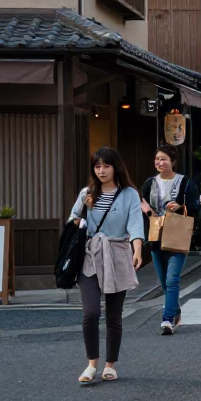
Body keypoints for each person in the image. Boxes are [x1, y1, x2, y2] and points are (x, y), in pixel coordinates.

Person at [67, 147, 144, 385]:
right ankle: (92, 364)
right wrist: (80, 216)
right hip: (90, 255)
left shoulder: (129, 194)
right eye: (97, 166)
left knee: (114, 315)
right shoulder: (87, 193)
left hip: (118, 253)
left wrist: (137, 249)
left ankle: (110, 365)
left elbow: (135, 223)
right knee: (90, 312)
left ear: (115, 167)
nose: (101, 170)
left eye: (106, 165)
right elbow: (72, 221)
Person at [139, 145, 200, 336]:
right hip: (156, 235)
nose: (159, 162)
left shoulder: (185, 183)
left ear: (173, 162)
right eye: (157, 159)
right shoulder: (149, 183)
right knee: (164, 282)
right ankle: (175, 310)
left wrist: (181, 206)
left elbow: (195, 206)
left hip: (177, 234)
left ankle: (166, 318)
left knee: (172, 279)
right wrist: (148, 211)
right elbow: (141, 204)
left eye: (163, 159)